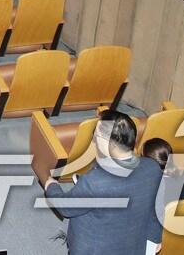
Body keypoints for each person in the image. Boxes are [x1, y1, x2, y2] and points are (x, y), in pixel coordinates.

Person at [43, 109, 164, 254]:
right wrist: (155, 237)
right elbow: (154, 209)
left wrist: (51, 186)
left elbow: (66, 208)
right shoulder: (152, 168)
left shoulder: (95, 182)